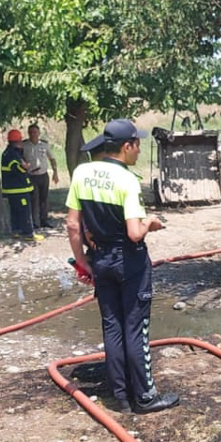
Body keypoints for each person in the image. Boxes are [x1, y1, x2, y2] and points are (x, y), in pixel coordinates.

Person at [66, 119, 178, 414]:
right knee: (135, 327)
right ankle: (145, 396)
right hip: (129, 260)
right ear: (126, 146)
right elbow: (134, 233)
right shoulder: (126, 179)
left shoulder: (82, 172)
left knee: (112, 327)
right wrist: (150, 224)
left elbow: (72, 226)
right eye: (137, 145)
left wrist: (83, 263)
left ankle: (121, 397)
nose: (139, 151)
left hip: (100, 258)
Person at [1, 128, 43, 241]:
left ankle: (16, 231)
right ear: (18, 141)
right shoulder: (13, 154)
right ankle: (28, 234)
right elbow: (18, 168)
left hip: (11, 190)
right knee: (25, 211)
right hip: (18, 190)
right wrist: (26, 166)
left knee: (15, 212)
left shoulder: (7, 153)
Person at [21, 123, 59, 230]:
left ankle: (44, 220)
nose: (33, 134)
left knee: (44, 199)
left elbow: (52, 158)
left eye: (35, 132)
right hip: (31, 176)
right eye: (31, 132)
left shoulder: (44, 145)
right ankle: (35, 222)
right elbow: (19, 158)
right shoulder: (24, 145)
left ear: (39, 133)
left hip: (43, 175)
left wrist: (55, 172)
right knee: (34, 199)